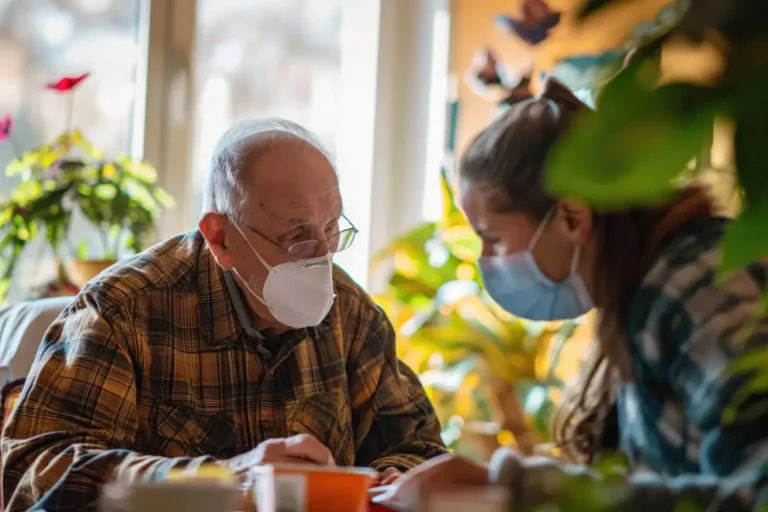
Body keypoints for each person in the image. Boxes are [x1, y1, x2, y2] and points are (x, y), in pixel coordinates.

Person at [1, 119, 447, 511]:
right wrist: (219, 478)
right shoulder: (123, 310)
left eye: (331, 229)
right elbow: (36, 472)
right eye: (297, 235)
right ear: (220, 238)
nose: (322, 258)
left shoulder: (350, 313)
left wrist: (389, 482)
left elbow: (418, 446)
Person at [379, 79, 768, 511]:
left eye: (493, 239)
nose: (486, 260)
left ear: (571, 216)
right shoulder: (644, 294)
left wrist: (517, 491)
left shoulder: (703, 288)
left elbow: (756, 494)